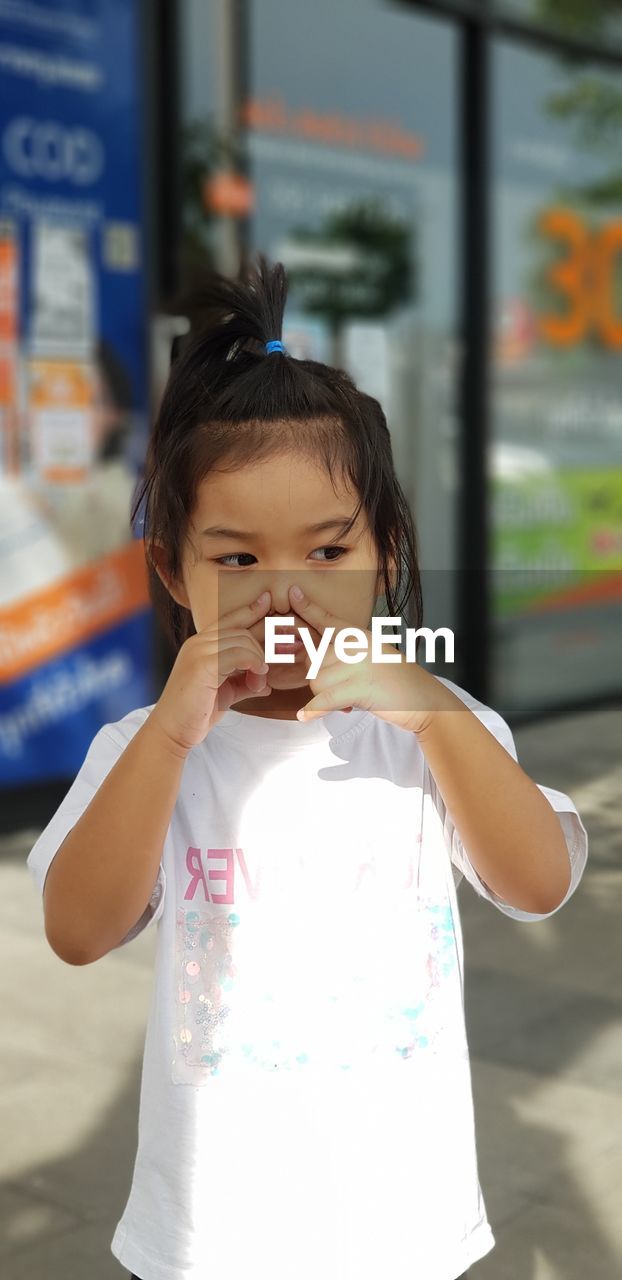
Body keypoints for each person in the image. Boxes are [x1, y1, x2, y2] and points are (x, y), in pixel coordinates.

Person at [26, 254, 589, 1280]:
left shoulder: (434, 727)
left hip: (399, 1221)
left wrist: (436, 720)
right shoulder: (146, 746)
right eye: (236, 558)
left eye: (327, 552)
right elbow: (76, 928)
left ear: (385, 550)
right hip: (211, 1230)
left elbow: (538, 881)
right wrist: (167, 737)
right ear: (173, 569)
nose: (282, 590)